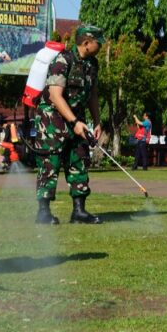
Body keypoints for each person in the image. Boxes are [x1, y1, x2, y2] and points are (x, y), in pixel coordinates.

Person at [32, 25, 105, 225]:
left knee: (79, 159)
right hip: (52, 120)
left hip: (77, 119)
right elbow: (55, 95)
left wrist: (97, 121)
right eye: (99, 42)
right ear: (87, 43)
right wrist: (74, 122)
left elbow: (93, 94)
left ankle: (79, 212)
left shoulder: (93, 64)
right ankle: (43, 212)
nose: (102, 46)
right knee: (50, 163)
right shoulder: (63, 60)